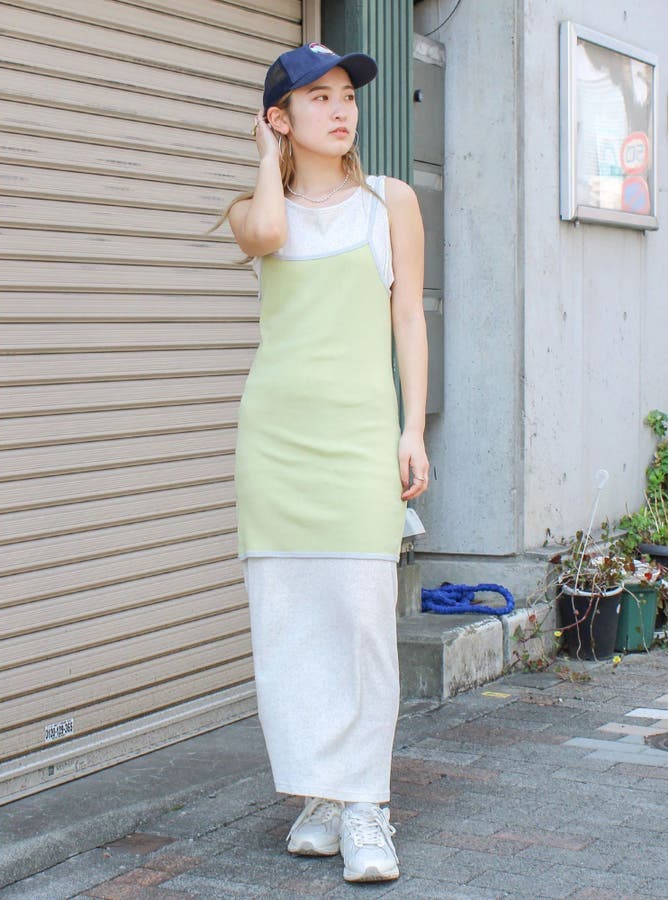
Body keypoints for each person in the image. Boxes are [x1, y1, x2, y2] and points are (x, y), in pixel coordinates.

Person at [220, 41, 429, 884]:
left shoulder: (391, 201)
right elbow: (270, 232)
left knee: (362, 623)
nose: (342, 110)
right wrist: (263, 153)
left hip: (358, 441)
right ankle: (321, 795)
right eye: (318, 98)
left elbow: (408, 317)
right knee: (290, 626)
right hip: (275, 446)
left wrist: (413, 430)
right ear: (280, 117)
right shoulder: (253, 211)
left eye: (347, 95)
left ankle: (367, 804)